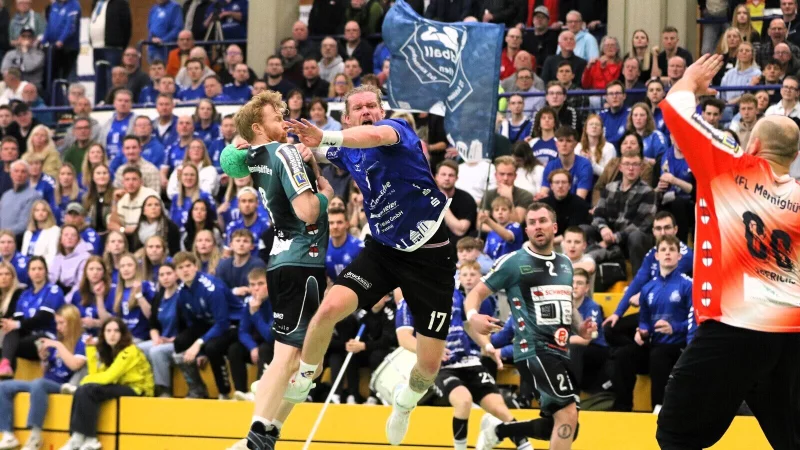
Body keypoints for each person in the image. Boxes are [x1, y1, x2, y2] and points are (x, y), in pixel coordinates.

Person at [284, 84, 456, 447]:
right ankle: (304, 378)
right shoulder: (347, 150)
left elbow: (372, 135)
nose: (367, 111)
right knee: (328, 308)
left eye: (371, 105)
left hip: (431, 257)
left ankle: (405, 404)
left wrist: (327, 135)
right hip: (383, 250)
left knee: (427, 369)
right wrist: (268, 146)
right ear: (347, 117)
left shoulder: (396, 132)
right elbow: (309, 147)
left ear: (382, 110)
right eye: (358, 107)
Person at [655, 53, 800, 450]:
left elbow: (675, 110)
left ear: (753, 143)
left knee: (676, 433)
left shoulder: (731, 168)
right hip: (789, 333)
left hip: (735, 327)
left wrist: (689, 81)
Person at [219, 89, 332, 449]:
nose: (284, 121)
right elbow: (310, 211)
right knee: (291, 359)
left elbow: (230, 157)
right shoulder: (283, 152)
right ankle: (257, 435)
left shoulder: (256, 157)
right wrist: (328, 197)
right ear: (259, 127)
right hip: (302, 259)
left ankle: (267, 429)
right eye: (276, 117)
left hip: (284, 260)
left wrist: (310, 163)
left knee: (299, 360)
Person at [464, 203, 596, 450]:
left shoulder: (565, 264)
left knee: (563, 426)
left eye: (543, 221)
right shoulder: (514, 262)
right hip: (533, 350)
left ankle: (499, 430)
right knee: (567, 414)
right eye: (532, 222)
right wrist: (473, 316)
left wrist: (581, 328)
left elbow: (567, 303)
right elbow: (474, 295)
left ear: (554, 227)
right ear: (526, 230)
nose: (538, 226)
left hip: (560, 352)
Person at [395, 261, 524, 450]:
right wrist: (430, 352)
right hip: (441, 366)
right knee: (463, 402)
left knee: (500, 409)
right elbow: (404, 338)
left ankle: (523, 445)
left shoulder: (454, 294)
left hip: (468, 360)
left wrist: (487, 346)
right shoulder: (408, 301)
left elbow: (469, 326)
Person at [612, 235, 693, 412]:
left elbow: (696, 321)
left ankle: (659, 408)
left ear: (679, 257)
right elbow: (644, 320)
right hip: (654, 343)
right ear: (656, 256)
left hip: (677, 346)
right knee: (623, 356)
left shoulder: (688, 285)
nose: (667, 253)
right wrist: (643, 331)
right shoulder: (648, 288)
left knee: (659, 356)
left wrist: (674, 328)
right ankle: (622, 407)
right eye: (663, 250)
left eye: (672, 250)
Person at [58, 317, 153, 450]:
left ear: (122, 334)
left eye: (116, 331)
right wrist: (91, 349)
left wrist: (81, 384)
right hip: (120, 385)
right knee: (84, 390)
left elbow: (108, 377)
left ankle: (90, 438)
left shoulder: (130, 351)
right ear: (103, 334)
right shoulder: (109, 351)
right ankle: (77, 438)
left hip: (137, 389)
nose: (112, 334)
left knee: (88, 389)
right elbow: (95, 375)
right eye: (108, 331)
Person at [0, 304, 86, 450]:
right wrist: (44, 358)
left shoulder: (82, 340)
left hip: (64, 386)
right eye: (57, 323)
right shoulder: (60, 340)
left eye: (61, 323)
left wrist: (58, 345)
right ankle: (8, 434)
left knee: (38, 383)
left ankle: (35, 435)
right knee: (4, 386)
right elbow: (47, 370)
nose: (58, 327)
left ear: (72, 321)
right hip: (45, 382)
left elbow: (75, 365)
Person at [0, 257, 65, 378]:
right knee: (10, 334)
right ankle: (5, 369)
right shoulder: (25, 294)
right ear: (28, 273)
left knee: (8, 345)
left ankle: (6, 379)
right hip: (29, 340)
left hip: (48, 338)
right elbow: (18, 321)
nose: (37, 272)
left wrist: (16, 324)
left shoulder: (53, 290)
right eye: (33, 269)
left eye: (40, 268)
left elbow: (43, 318)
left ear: (45, 271)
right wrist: (11, 325)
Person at [229, 268, 274, 402]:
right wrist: (252, 347)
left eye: (260, 284)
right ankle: (240, 392)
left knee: (265, 348)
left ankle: (259, 393)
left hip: (274, 344)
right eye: (252, 285)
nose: (256, 289)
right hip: (258, 344)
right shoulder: (250, 302)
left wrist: (255, 313)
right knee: (235, 349)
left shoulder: (276, 302)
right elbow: (242, 331)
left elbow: (270, 336)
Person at [140, 262, 180, 398]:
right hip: (162, 340)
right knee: (138, 349)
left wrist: (168, 340)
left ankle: (163, 390)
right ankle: (144, 385)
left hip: (178, 341)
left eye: (169, 274)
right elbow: (153, 323)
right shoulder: (159, 296)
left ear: (176, 275)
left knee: (156, 351)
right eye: (162, 275)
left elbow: (190, 328)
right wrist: (156, 338)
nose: (165, 278)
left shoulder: (182, 296)